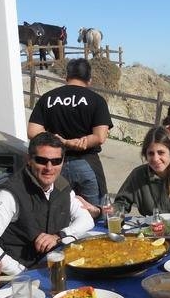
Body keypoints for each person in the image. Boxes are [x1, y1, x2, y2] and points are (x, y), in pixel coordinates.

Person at [0, 132, 94, 274]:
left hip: (53, 266)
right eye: (42, 161)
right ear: (29, 159)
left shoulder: (60, 184)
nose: (49, 168)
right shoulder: (10, 193)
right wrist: (20, 273)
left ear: (63, 161)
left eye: (56, 161)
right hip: (21, 276)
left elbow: (86, 219)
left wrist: (59, 236)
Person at [27, 58, 112, 206]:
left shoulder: (48, 98)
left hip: (55, 166)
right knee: (94, 212)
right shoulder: (97, 100)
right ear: (89, 80)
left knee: (59, 210)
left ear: (67, 77)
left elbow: (32, 132)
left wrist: (60, 142)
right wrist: (76, 143)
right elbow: (100, 136)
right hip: (86, 163)